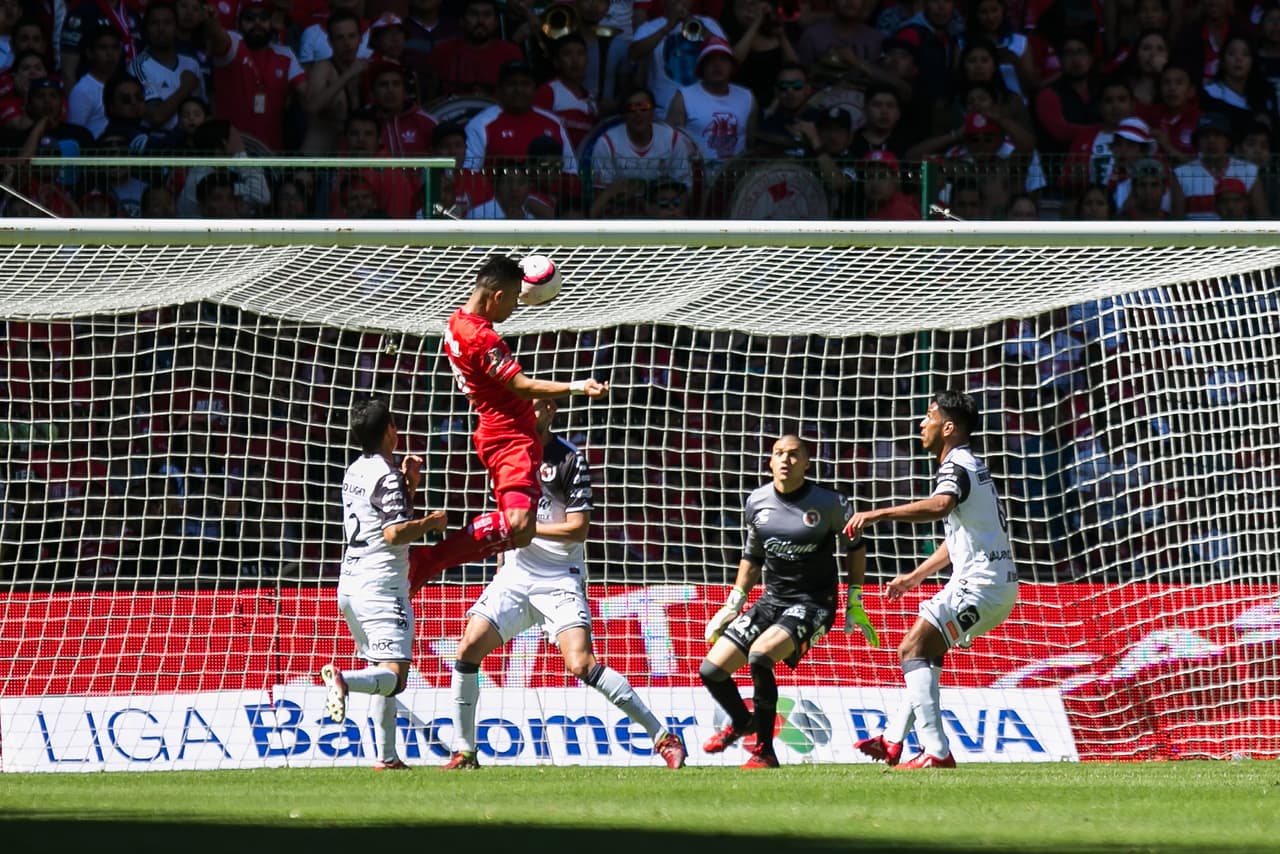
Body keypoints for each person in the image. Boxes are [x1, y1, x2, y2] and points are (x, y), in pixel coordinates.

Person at [441, 397, 687, 770]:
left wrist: (526, 528)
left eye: (536, 407)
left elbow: (578, 529)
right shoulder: (510, 456)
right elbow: (505, 516)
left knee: (581, 664)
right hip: (515, 575)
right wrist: (502, 558)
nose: (528, 413)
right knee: (467, 649)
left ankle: (662, 737)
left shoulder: (570, 459)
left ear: (550, 411)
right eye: (523, 408)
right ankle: (465, 751)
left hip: (559, 578)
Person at [407, 255, 608, 588]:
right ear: (498, 296)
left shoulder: (457, 322)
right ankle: (429, 560)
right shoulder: (481, 339)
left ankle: (432, 561)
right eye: (515, 298)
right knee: (518, 526)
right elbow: (521, 385)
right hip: (509, 436)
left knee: (523, 530)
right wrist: (577, 387)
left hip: (501, 431)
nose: (516, 307)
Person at [846, 390, 1018, 769]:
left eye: (929, 416)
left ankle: (937, 753)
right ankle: (892, 741)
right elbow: (959, 538)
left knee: (911, 650)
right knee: (927, 652)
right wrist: (914, 576)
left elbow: (941, 505)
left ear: (948, 427)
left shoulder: (955, 466)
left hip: (982, 585)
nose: (922, 423)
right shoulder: (971, 464)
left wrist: (880, 514)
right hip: (989, 582)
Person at [700, 434, 877, 769]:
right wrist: (734, 601)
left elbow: (855, 550)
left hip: (814, 602)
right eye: (778, 454)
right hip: (771, 600)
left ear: (807, 463)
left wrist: (855, 601)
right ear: (769, 461)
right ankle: (742, 722)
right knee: (711, 670)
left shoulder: (831, 503)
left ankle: (765, 750)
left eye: (794, 455)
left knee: (760, 656)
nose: (785, 460)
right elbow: (752, 556)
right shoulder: (757, 502)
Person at [321, 396, 448, 770]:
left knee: (380, 666)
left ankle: (387, 757)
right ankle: (343, 681)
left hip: (350, 585)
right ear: (390, 430)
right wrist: (430, 522)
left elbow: (383, 516)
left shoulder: (355, 470)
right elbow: (394, 533)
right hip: (382, 588)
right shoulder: (384, 474)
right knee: (395, 677)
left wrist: (410, 483)